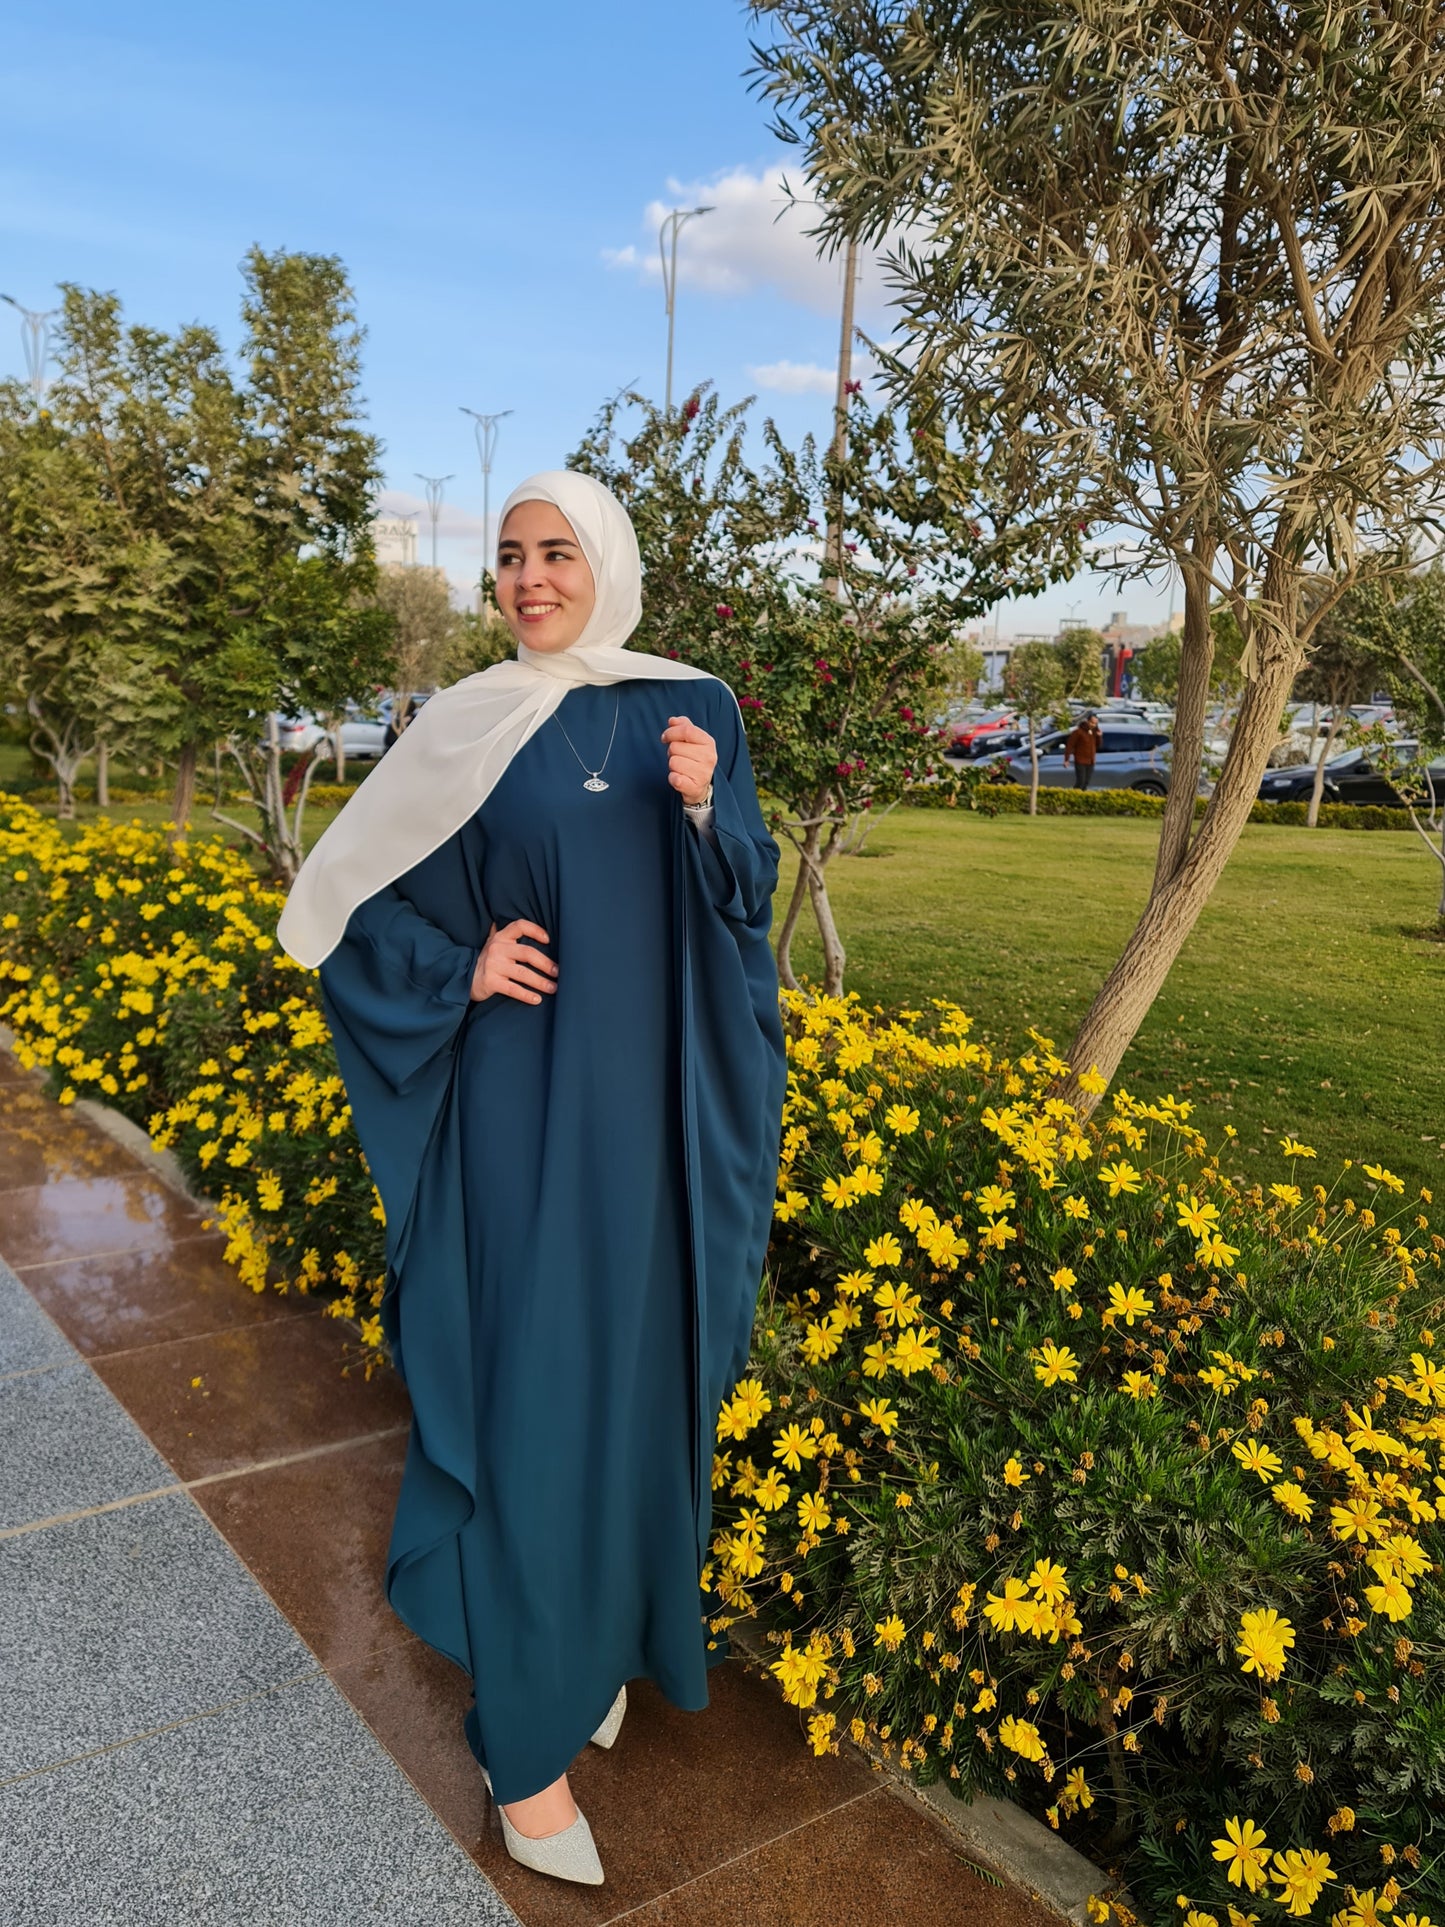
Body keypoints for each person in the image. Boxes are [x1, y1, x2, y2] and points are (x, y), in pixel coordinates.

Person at [275, 471, 786, 1888]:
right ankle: (525, 1746)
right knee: (534, 1399)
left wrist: (702, 812)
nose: (530, 577)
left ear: (605, 560)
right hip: (520, 1120)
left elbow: (746, 896)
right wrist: (466, 964)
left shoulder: (695, 706)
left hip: (653, 1117)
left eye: (557, 551)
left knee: (629, 1386)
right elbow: (347, 899)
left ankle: (592, 1638)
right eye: (508, 555)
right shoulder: (465, 723)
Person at [1063, 710, 1103, 788]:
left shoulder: (1095, 732)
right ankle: (1075, 796)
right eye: (1092, 723)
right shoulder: (1078, 732)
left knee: (1086, 782)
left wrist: (1099, 736)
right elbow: (1070, 745)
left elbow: (1099, 746)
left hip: (1091, 761)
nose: (1093, 725)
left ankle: (1081, 796)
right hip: (1080, 760)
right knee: (1080, 781)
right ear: (1088, 721)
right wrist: (1066, 759)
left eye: (1095, 723)